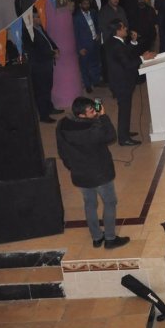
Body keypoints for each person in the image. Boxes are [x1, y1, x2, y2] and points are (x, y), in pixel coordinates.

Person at [55, 97, 130, 249]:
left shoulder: (62, 125)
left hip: (80, 174)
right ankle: (110, 238)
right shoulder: (93, 127)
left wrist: (72, 167)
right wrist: (103, 116)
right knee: (110, 202)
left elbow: (62, 151)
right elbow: (111, 136)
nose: (95, 112)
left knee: (90, 204)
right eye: (91, 111)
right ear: (81, 115)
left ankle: (97, 237)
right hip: (100, 173)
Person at [104, 19, 154, 145]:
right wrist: (143, 58)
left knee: (125, 109)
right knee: (124, 109)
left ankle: (124, 132)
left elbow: (124, 53)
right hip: (122, 83)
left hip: (119, 81)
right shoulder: (117, 45)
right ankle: (124, 138)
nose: (126, 28)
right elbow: (128, 64)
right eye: (123, 27)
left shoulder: (113, 41)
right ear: (118, 30)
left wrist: (133, 42)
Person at [23, 10, 61, 122]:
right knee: (41, 91)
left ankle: (49, 108)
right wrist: (52, 53)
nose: (40, 18)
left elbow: (48, 41)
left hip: (47, 63)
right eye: (38, 17)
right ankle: (44, 115)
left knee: (48, 87)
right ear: (31, 19)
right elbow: (35, 51)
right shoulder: (28, 33)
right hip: (39, 66)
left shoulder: (39, 28)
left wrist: (56, 48)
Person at [72, 0, 102, 93]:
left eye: (88, 3)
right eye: (85, 4)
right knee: (84, 66)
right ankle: (88, 85)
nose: (87, 5)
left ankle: (96, 81)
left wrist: (98, 33)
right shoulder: (76, 17)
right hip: (84, 45)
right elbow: (75, 34)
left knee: (95, 63)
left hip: (94, 42)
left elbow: (97, 24)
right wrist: (79, 48)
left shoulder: (93, 12)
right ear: (80, 5)